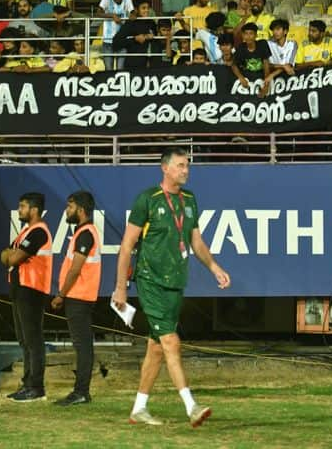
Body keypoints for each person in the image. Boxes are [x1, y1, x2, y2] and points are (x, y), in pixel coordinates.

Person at [113, 147, 231, 427]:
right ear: (164, 168)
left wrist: (214, 267)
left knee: (156, 348)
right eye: (180, 165)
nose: (185, 170)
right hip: (150, 280)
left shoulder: (190, 199)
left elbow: (196, 242)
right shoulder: (147, 200)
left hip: (176, 282)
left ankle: (139, 409)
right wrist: (120, 287)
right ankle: (191, 406)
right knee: (170, 341)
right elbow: (127, 246)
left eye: (187, 166)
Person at [50, 191, 101, 406]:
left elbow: (75, 269)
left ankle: (81, 392)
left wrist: (61, 294)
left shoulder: (85, 234)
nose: (66, 211)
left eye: (69, 206)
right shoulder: (83, 232)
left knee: (82, 346)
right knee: (82, 345)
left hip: (79, 296)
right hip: (79, 296)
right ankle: (81, 391)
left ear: (81, 210)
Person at [2, 192, 52, 402]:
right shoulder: (27, 231)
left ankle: (36, 387)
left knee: (33, 340)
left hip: (31, 291)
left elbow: (12, 257)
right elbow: (8, 255)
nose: (19, 210)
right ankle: (28, 383)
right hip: (21, 289)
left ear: (34, 209)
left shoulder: (39, 232)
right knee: (25, 341)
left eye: (22, 206)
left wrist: (9, 256)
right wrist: (9, 256)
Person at [97, 0, 134, 71]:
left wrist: (133, 15)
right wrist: (112, 15)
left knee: (120, 69)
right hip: (108, 39)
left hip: (122, 39)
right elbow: (98, 13)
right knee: (108, 69)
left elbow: (132, 11)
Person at [231, 22, 271, 97]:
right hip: (247, 81)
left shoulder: (263, 44)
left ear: (256, 35)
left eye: (251, 33)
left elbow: (266, 65)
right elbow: (234, 65)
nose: (248, 37)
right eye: (246, 34)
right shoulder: (241, 48)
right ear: (242, 35)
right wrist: (241, 78)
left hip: (261, 78)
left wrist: (266, 85)